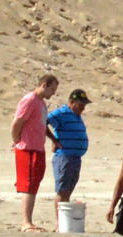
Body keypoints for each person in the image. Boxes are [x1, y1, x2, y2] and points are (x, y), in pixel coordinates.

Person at [10, 73, 59, 232]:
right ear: (44, 85)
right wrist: (16, 140)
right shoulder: (30, 100)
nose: (53, 93)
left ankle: (28, 221)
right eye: (52, 89)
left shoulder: (42, 104)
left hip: (38, 147)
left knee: (34, 183)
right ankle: (26, 222)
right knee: (28, 184)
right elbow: (17, 122)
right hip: (27, 147)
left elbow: (42, 124)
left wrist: (53, 139)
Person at [46, 88, 92, 219]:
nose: (83, 108)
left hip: (75, 157)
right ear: (72, 102)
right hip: (64, 157)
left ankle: (65, 222)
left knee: (68, 190)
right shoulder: (62, 113)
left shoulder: (76, 116)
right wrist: (54, 140)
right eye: (81, 104)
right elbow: (44, 121)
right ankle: (59, 224)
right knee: (62, 191)